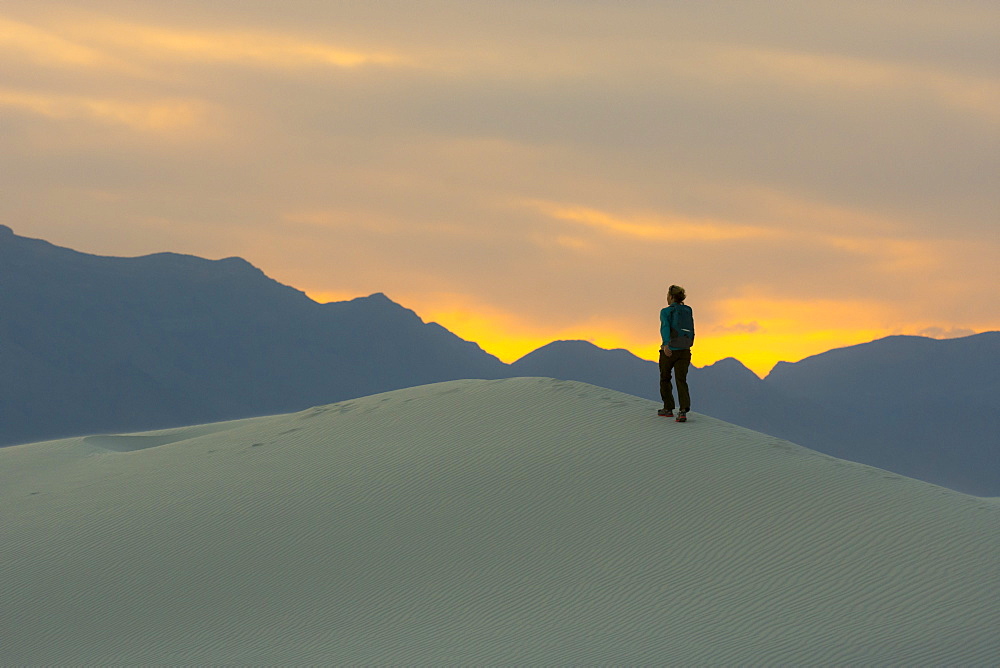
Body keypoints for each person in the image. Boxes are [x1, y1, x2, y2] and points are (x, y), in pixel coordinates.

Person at [658, 285, 694, 422]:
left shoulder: (666, 311)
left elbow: (665, 327)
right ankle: (683, 410)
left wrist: (666, 344)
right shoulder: (688, 310)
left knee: (665, 378)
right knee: (681, 380)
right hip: (685, 350)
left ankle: (668, 408)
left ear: (671, 296)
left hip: (670, 351)